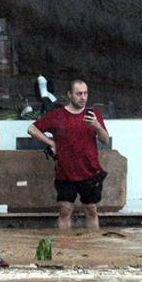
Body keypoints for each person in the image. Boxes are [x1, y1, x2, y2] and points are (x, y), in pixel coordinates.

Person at [27, 79, 109, 230]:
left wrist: (97, 125)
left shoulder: (94, 114)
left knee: (91, 210)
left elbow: (105, 140)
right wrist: (51, 143)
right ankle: (63, 248)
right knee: (65, 211)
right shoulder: (57, 115)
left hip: (90, 171)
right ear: (70, 95)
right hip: (65, 172)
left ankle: (92, 249)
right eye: (79, 94)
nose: (83, 97)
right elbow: (32, 129)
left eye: (85, 93)